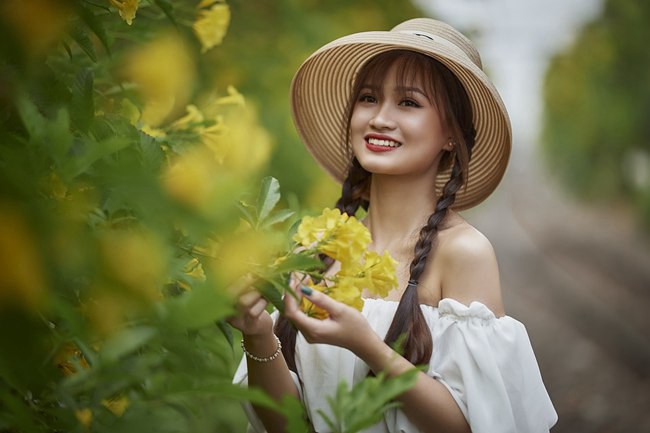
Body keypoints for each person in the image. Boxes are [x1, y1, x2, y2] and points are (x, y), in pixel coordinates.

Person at [230, 18, 558, 433]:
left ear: (451, 136)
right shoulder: (317, 248)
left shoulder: (463, 253)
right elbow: (286, 425)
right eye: (368, 98)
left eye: (408, 103)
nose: (380, 118)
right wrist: (258, 335)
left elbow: (472, 424)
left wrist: (367, 346)